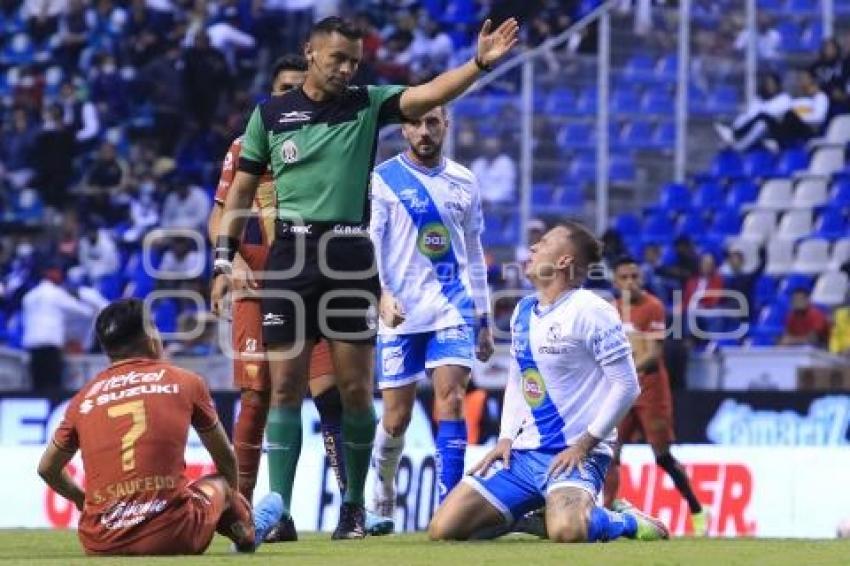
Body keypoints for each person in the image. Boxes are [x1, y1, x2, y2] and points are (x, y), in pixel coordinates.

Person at [211, 15, 518, 539]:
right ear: (311, 52)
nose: (348, 68)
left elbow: (427, 94)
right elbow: (239, 194)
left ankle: (353, 506)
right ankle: (278, 505)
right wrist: (223, 260)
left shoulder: (366, 103)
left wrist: (476, 64)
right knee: (284, 386)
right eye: (339, 59)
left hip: (350, 253)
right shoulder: (270, 115)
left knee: (355, 389)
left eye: (355, 60)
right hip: (290, 253)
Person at [428, 222, 668, 543]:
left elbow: (627, 386)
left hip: (575, 454)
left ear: (564, 262)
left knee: (568, 532)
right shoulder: (523, 310)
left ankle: (623, 520)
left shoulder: (592, 310)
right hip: (524, 454)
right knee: (444, 529)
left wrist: (584, 444)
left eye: (542, 243)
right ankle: (533, 517)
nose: (532, 249)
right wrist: (505, 438)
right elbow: (518, 378)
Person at [207, 54, 347, 542]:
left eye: (297, 85)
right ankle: (245, 511)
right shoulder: (247, 144)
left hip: (317, 278)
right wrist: (232, 263)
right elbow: (220, 216)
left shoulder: (329, 138)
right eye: (283, 86)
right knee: (257, 398)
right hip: (260, 280)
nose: (291, 93)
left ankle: (352, 510)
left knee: (331, 392)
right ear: (272, 93)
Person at [36, 298, 283, 555]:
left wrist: (81, 499)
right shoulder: (185, 382)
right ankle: (247, 531)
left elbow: (47, 468)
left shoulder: (82, 399)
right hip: (173, 534)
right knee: (220, 482)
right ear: (151, 337)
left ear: (107, 350)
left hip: (100, 542)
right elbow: (226, 459)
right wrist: (233, 502)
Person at [366, 105, 494, 534]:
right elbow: (372, 246)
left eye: (432, 123)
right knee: (396, 418)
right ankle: (382, 491)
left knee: (452, 397)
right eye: (417, 123)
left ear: (446, 126)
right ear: (404, 128)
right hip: (400, 310)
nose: (424, 131)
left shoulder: (464, 180)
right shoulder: (384, 179)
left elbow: (474, 252)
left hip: (451, 306)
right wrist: (380, 295)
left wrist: (483, 314)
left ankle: (449, 508)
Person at [605, 257, 709, 536]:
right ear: (615, 282)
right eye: (624, 277)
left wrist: (624, 371)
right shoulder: (611, 311)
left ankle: (697, 509)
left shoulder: (653, 307)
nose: (630, 282)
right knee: (611, 454)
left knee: (662, 457)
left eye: (635, 276)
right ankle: (604, 512)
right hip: (623, 392)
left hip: (650, 390)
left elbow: (653, 355)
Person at [22, 265, 96, 392]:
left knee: (36, 387)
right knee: (52, 387)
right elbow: (84, 312)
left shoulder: (29, 296)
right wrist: (85, 299)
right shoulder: (57, 294)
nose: (61, 276)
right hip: (50, 346)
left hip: (32, 346)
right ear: (50, 273)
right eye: (58, 272)